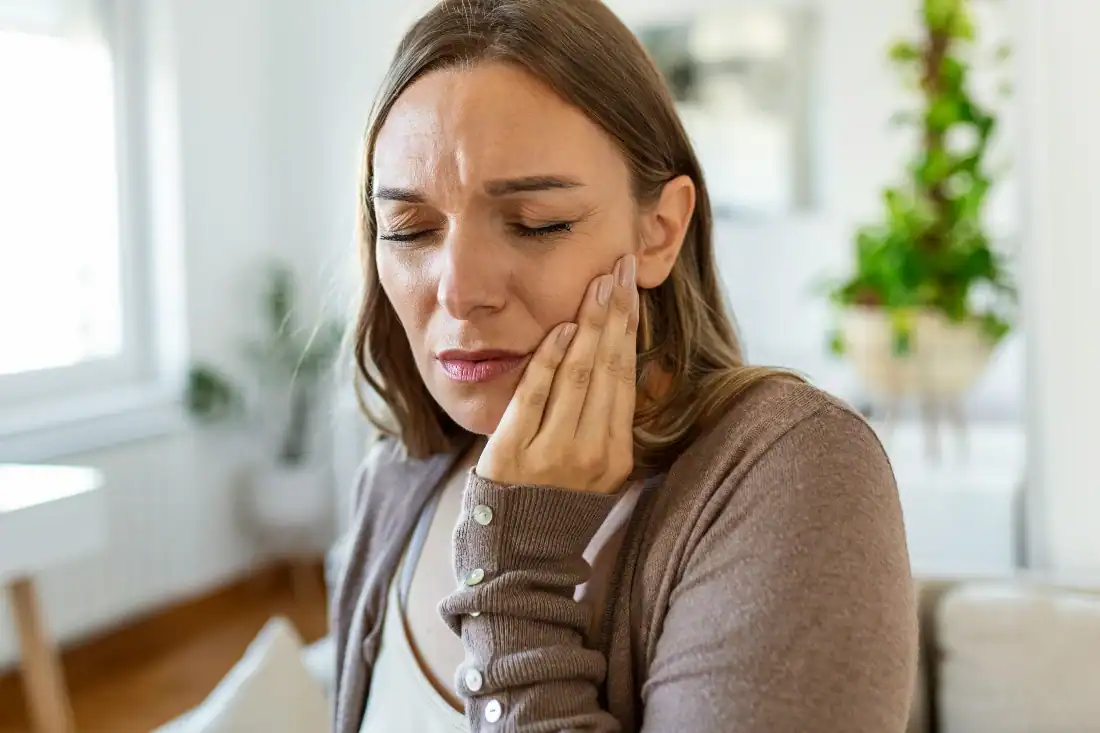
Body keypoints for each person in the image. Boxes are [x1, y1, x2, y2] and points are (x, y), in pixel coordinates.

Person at [332, 0, 918, 731]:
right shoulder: (395, 481)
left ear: (659, 231)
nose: (459, 291)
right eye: (410, 229)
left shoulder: (793, 471)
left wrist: (518, 576)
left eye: (536, 223)